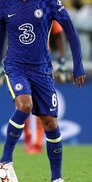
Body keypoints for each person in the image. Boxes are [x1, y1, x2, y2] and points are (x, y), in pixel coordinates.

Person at [0, 0, 86, 182]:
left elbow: (71, 33)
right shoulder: (4, 5)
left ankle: (56, 179)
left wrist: (78, 66)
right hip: (15, 66)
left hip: (43, 70)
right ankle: (6, 162)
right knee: (25, 105)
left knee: (50, 123)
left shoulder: (48, 2)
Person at [23, 20, 68, 154]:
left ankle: (36, 142)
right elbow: (7, 36)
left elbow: (59, 34)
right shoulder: (15, 8)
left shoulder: (45, 6)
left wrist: (62, 61)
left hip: (41, 64)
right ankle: (29, 138)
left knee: (39, 105)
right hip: (18, 62)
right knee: (22, 104)